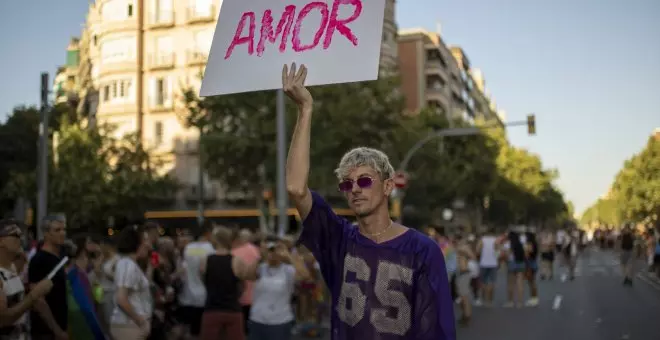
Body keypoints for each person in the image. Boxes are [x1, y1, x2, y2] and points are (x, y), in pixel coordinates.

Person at [283, 63, 455, 340]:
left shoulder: (423, 250)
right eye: (347, 184)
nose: (355, 189)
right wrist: (305, 110)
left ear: (388, 186)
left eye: (365, 180)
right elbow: (295, 187)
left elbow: (436, 329)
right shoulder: (338, 239)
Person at [199, 226, 257, 340]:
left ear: (215, 240)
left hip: (212, 309)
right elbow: (243, 286)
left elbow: (204, 281)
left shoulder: (205, 260)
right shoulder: (237, 261)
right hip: (232, 309)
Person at [0, 219, 53, 340]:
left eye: (22, 235)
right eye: (16, 235)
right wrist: (33, 296)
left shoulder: (13, 266)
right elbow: (3, 319)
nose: (22, 239)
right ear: (1, 241)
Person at [248, 237, 310, 340]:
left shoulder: (288, 270)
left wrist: (288, 255)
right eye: (270, 249)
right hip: (257, 319)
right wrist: (260, 257)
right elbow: (247, 275)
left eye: (276, 249)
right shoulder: (260, 268)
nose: (273, 253)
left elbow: (305, 276)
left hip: (280, 321)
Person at [29, 215, 69, 340]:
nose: (62, 233)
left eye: (64, 229)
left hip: (61, 326)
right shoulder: (39, 260)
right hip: (45, 332)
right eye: (57, 230)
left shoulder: (61, 256)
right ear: (46, 234)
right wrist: (56, 330)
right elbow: (38, 300)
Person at [110, 225, 153, 339]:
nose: (148, 245)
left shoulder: (129, 264)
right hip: (128, 325)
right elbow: (121, 298)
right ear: (136, 243)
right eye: (145, 240)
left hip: (130, 325)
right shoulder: (127, 264)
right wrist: (140, 320)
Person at [177, 221, 215, 339]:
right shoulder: (210, 249)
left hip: (188, 295)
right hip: (205, 297)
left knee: (192, 331)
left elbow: (184, 267)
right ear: (208, 233)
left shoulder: (189, 248)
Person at [231, 228, 261, 333]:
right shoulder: (256, 250)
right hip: (255, 295)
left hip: (239, 296)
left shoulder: (233, 252)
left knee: (241, 328)